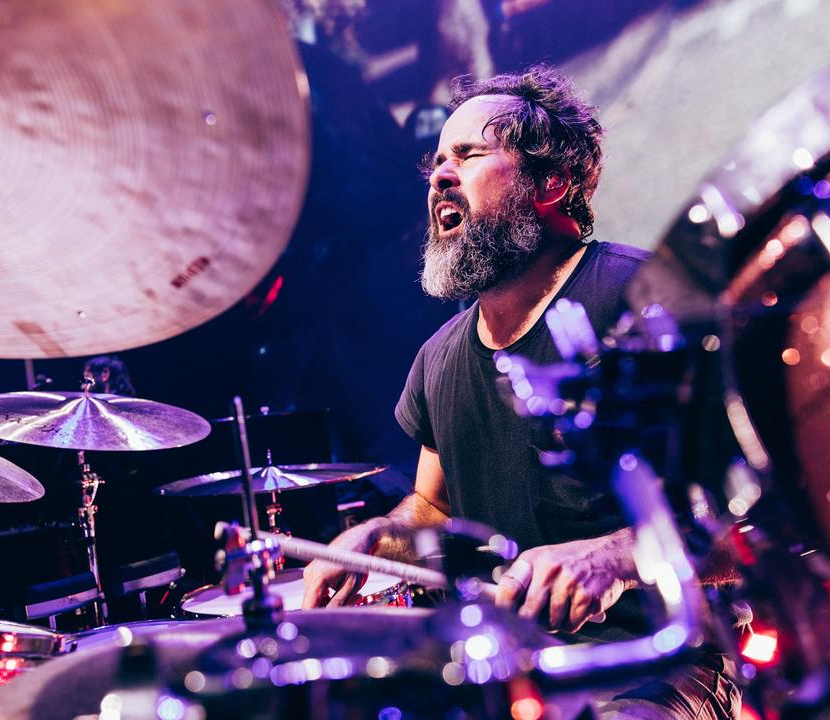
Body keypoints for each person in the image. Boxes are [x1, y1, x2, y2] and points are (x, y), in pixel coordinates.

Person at [301, 65, 739, 718]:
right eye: (437, 162)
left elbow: (756, 513)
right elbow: (434, 509)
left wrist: (616, 558)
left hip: (657, 664)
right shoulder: (438, 360)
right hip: (508, 675)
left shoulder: (646, 303)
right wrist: (376, 543)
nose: (439, 176)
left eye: (470, 155)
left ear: (551, 182)